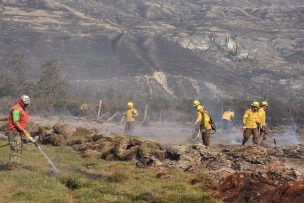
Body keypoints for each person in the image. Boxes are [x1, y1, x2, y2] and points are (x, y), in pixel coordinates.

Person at [6, 95, 36, 169]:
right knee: (15, 149)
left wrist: (23, 131)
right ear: (21, 101)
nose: (27, 104)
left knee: (18, 149)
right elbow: (16, 122)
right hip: (14, 132)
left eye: (27, 103)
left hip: (18, 131)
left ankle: (16, 165)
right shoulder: (16, 109)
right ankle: (12, 167)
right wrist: (23, 130)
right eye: (25, 103)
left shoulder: (23, 109)